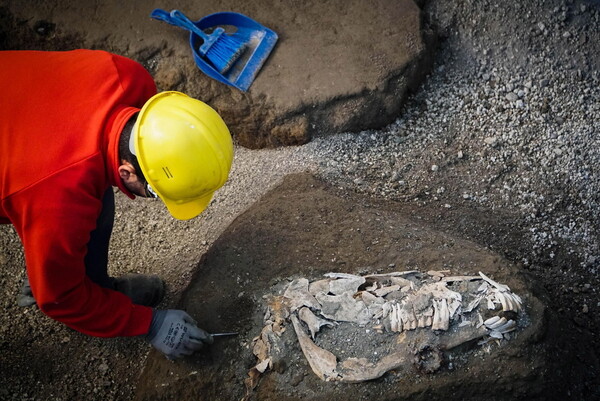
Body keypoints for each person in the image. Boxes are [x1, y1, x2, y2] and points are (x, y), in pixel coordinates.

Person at [0, 49, 234, 359]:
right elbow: (58, 299)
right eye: (155, 193)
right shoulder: (59, 200)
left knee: (91, 200)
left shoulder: (126, 77)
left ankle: (93, 287)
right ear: (127, 171)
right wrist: (148, 324)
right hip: (37, 173)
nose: (155, 200)